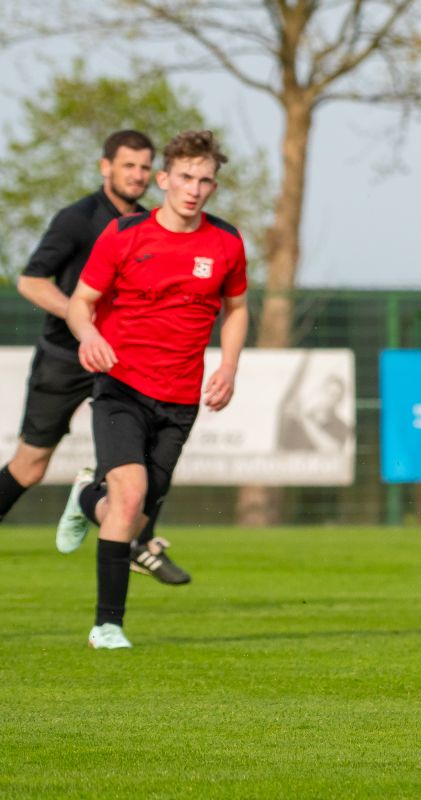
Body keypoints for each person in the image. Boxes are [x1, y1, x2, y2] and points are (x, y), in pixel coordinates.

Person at [59, 130, 249, 649]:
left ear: (213, 186)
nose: (194, 189)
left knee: (133, 514)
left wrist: (229, 366)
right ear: (164, 179)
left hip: (181, 398)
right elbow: (80, 302)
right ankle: (107, 626)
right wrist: (90, 335)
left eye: (204, 180)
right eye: (185, 177)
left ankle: (86, 495)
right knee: (130, 496)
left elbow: (236, 309)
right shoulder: (123, 234)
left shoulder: (227, 242)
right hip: (120, 385)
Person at [0, 131, 191, 583]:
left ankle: (141, 543)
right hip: (65, 358)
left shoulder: (150, 223)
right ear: (106, 167)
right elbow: (31, 281)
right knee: (31, 464)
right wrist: (81, 320)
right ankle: (99, 508)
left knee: (146, 455)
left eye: (144, 167)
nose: (137, 175)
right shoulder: (78, 219)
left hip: (122, 361)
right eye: (128, 166)